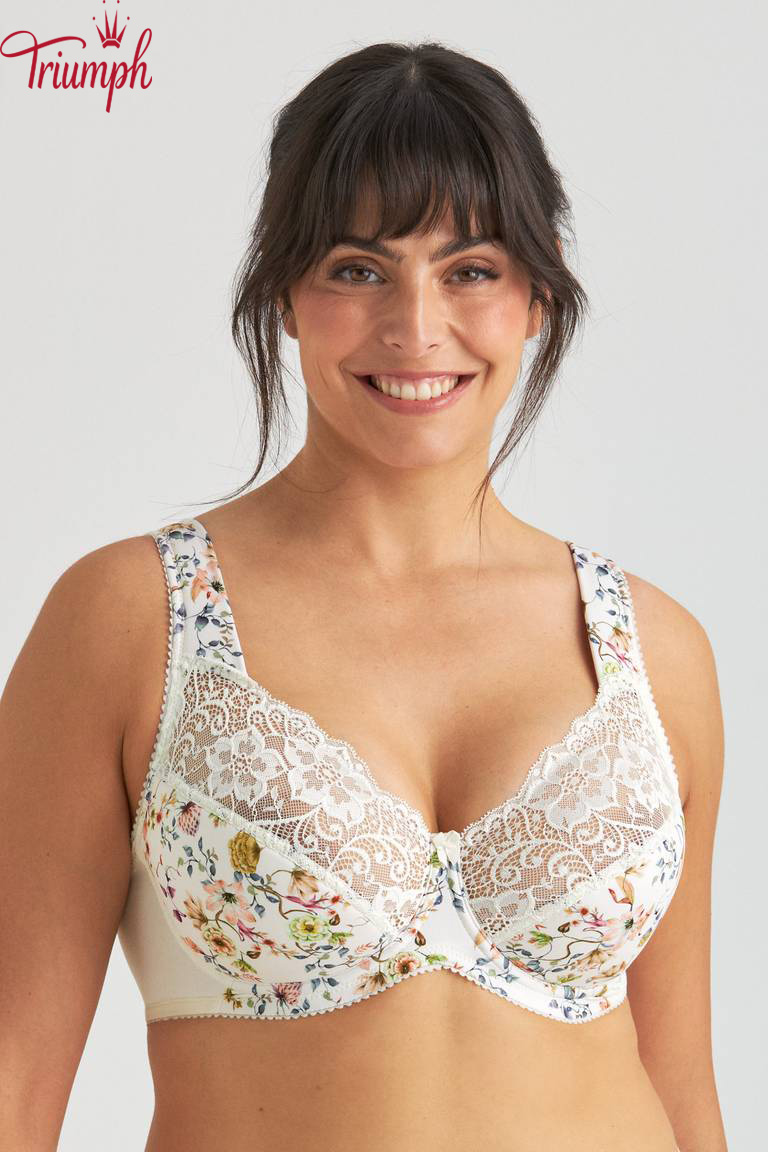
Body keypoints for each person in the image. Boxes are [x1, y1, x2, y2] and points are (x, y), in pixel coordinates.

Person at [0, 40, 726, 1152]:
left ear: (537, 296)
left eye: (470, 269)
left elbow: (682, 1091)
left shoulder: (651, 651)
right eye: (356, 269)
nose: (416, 327)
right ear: (284, 295)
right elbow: (14, 1080)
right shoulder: (133, 621)